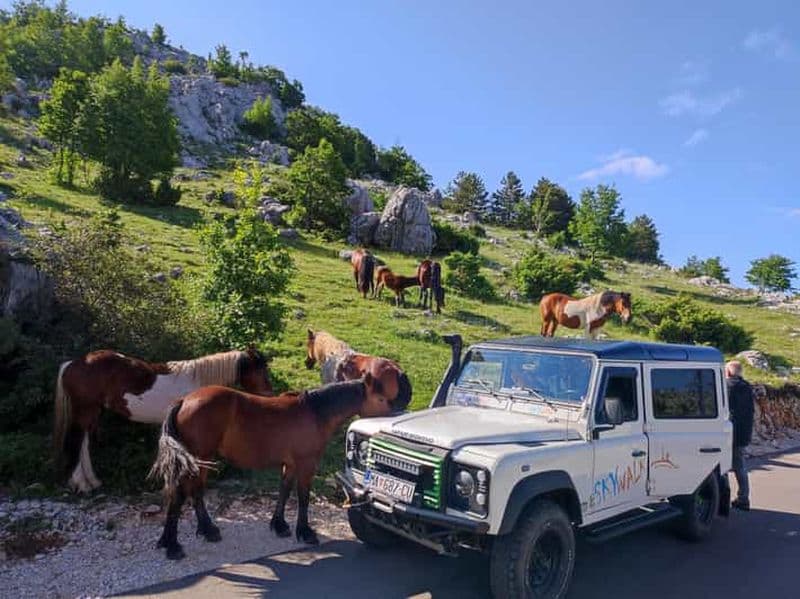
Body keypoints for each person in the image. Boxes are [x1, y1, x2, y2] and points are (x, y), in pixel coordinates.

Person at [725, 360, 755, 511]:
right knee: (740, 467)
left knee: (721, 466)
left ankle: (722, 498)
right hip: (744, 432)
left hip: (730, 433)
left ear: (729, 372)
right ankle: (743, 498)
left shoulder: (728, 386)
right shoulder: (747, 387)